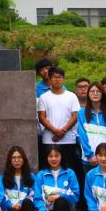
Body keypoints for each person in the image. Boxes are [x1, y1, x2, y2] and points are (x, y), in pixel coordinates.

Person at [37, 67, 83, 197]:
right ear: (50, 79)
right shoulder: (44, 97)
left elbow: (75, 116)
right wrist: (55, 131)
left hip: (68, 140)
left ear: (63, 79)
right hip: (49, 139)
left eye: (59, 77)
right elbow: (42, 117)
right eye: (54, 77)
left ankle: (70, 198)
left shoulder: (71, 96)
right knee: (49, 169)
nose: (57, 79)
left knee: (69, 169)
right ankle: (48, 197)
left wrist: (62, 131)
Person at [35, 145, 79, 211]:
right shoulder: (41, 174)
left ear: (61, 156)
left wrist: (60, 196)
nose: (54, 159)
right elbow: (37, 198)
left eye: (56, 156)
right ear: (46, 158)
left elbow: (76, 195)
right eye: (50, 156)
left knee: (60, 201)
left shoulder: (69, 173)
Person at [79, 82, 106, 170]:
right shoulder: (82, 112)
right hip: (89, 159)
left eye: (98, 91)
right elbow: (82, 135)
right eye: (92, 91)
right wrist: (90, 155)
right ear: (88, 94)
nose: (95, 94)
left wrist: (104, 154)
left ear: (102, 94)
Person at [1, 145, 40, 211]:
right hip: (10, 210)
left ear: (24, 159)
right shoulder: (4, 177)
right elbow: (2, 196)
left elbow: (34, 194)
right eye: (14, 158)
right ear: (10, 160)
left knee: (27, 202)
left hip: (26, 209)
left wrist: (20, 203)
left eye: (19, 157)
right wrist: (11, 205)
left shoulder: (31, 176)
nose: (17, 160)